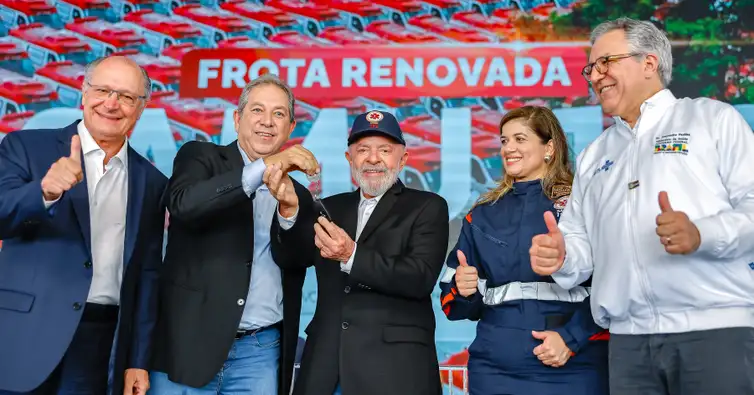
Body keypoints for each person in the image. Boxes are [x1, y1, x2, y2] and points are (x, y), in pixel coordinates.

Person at [529, 17, 754, 395]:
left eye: (607, 62)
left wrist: (702, 233)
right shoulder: (593, 155)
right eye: (590, 68)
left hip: (714, 331)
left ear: (649, 63)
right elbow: (580, 245)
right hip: (629, 344)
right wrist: (562, 256)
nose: (595, 76)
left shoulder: (712, 119)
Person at [0, 56, 167, 395]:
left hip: (99, 343)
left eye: (125, 96)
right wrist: (43, 192)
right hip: (23, 334)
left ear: (140, 108)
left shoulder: (152, 182)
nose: (111, 103)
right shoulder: (26, 147)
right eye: (103, 90)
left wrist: (138, 359)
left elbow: (148, 276)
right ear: (84, 92)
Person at [148, 74, 319, 395]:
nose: (267, 122)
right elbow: (185, 205)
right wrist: (264, 166)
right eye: (257, 111)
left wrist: (289, 212)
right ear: (238, 119)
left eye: (279, 114)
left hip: (260, 352)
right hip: (189, 345)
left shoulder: (297, 193)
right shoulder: (200, 156)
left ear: (291, 127)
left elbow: (299, 261)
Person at [265, 110, 449, 395]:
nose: (373, 159)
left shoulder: (428, 207)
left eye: (384, 150)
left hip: (395, 370)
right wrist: (288, 211)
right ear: (349, 159)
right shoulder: (327, 207)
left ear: (404, 159)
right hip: (326, 368)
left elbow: (418, 278)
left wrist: (351, 255)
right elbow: (290, 259)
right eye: (363, 150)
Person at [439, 106, 609, 395]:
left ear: (549, 147)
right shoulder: (481, 214)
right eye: (504, 141)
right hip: (493, 369)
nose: (509, 148)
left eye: (520, 139)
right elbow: (453, 302)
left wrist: (570, 339)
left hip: (572, 366)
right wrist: (463, 290)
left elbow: (615, 284)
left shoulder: (583, 203)